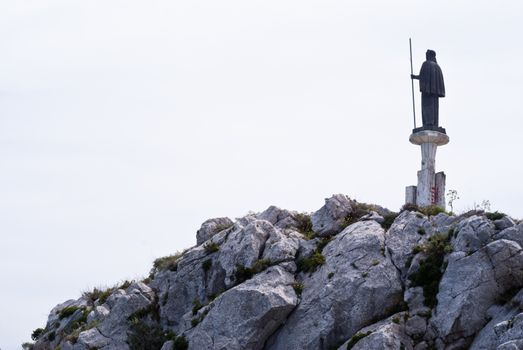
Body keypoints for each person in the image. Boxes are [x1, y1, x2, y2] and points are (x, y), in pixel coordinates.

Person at [411, 49, 445, 128]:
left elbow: (422, 76)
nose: (426, 56)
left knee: (427, 106)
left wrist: (414, 77)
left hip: (427, 91)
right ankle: (434, 123)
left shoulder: (426, 64)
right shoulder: (437, 67)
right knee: (435, 107)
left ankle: (428, 123)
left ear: (429, 55)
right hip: (434, 93)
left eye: (426, 54)